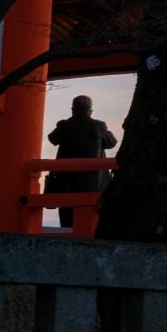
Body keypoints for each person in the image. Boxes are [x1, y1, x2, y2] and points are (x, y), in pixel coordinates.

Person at [44, 95, 116, 231]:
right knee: (92, 223)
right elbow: (111, 143)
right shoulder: (99, 126)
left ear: (73, 109)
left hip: (66, 182)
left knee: (67, 221)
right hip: (93, 183)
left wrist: (68, 121)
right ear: (90, 111)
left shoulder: (64, 125)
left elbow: (52, 139)